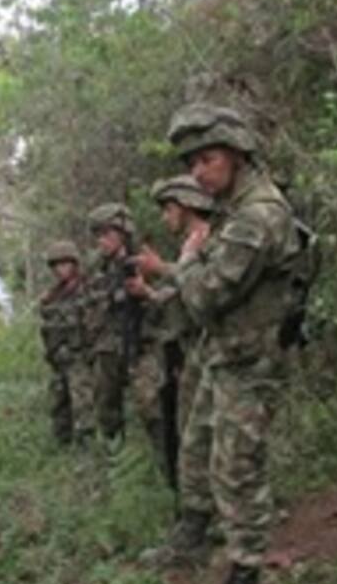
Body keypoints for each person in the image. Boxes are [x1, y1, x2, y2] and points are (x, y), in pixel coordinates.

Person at [136, 104, 301, 584]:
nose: (199, 173)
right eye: (194, 163)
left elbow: (206, 296)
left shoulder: (257, 216)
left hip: (251, 359)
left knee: (237, 468)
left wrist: (184, 263)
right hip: (228, 354)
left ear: (237, 154)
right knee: (200, 446)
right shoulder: (234, 209)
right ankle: (195, 535)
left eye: (208, 159)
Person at [126, 176, 215, 489]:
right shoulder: (190, 244)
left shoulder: (207, 239)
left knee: (204, 437)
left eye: (168, 209)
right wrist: (149, 292)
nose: (165, 218)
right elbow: (179, 292)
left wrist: (162, 268)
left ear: (186, 206)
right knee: (191, 433)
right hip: (189, 349)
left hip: (211, 348)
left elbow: (206, 289)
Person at [86, 204, 144, 446]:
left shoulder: (141, 264)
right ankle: (115, 451)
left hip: (142, 344)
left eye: (107, 234)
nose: (102, 241)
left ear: (124, 233)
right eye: (98, 235)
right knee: (106, 402)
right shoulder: (100, 271)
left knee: (150, 407)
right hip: (109, 346)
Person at [38, 240, 94, 447]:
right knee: (59, 403)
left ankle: (85, 448)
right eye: (56, 265)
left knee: (83, 404)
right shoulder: (52, 296)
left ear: (74, 264)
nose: (60, 270)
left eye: (64, 264)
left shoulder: (86, 290)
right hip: (58, 357)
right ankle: (62, 446)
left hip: (79, 356)